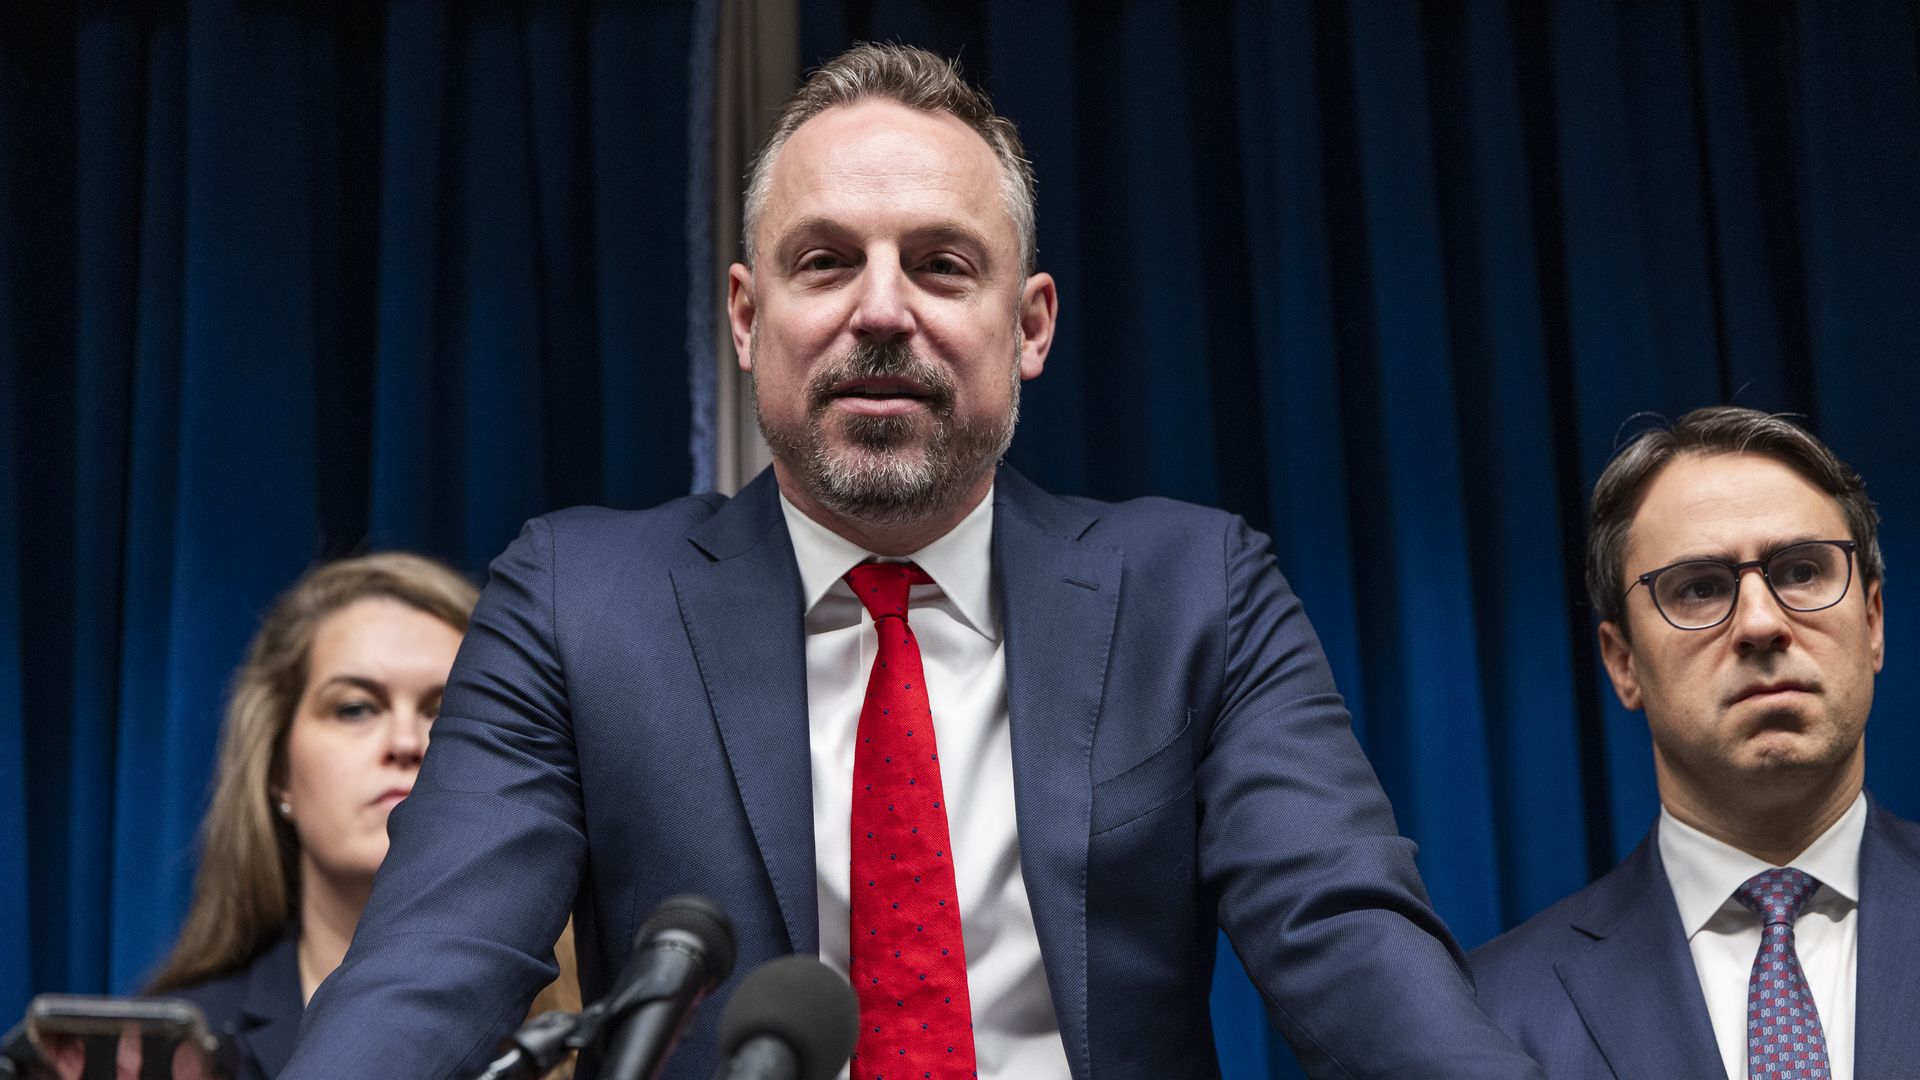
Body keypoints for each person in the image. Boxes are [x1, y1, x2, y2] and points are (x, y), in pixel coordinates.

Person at [282, 44, 1540, 1080]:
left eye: (941, 266)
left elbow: (1350, 942)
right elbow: (423, 975)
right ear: (744, 314)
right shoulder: (575, 602)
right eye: (825, 261)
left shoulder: (1196, 591)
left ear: (1030, 324)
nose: (882, 312)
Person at [1472, 407, 1920, 1078]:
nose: (1762, 623)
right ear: (1623, 662)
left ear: (1874, 622)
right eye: (1700, 588)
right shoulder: (1491, 1015)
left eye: (1802, 571)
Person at [139, 554, 578, 1079]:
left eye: (449, 713)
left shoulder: (612, 1032)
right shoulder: (171, 1054)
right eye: (355, 708)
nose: (406, 743)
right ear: (278, 773)